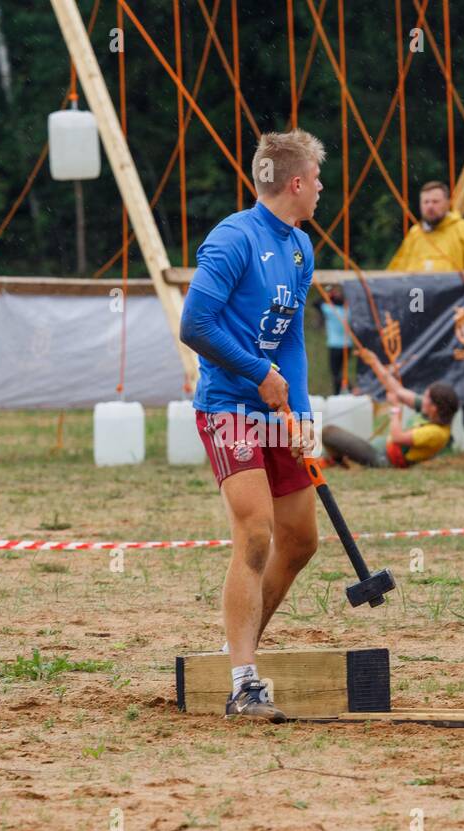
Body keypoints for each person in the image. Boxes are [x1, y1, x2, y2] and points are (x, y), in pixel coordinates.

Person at [179, 129, 324, 722]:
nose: (320, 189)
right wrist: (256, 372)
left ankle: (237, 650)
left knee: (302, 540)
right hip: (227, 408)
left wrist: (302, 413)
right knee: (258, 533)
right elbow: (195, 325)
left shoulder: (301, 248)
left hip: (275, 410)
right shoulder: (232, 239)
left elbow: (290, 337)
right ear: (294, 183)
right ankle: (243, 681)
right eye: (315, 179)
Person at [388, 180, 464, 450]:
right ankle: (438, 437)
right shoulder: (415, 234)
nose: (430, 207)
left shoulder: (462, 230)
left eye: (435, 201)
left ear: (447, 203)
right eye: (425, 202)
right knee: (430, 381)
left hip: (458, 320)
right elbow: (396, 273)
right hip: (424, 324)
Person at [321, 354, 459, 468]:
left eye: (427, 397)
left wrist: (395, 409)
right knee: (334, 438)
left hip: (383, 460)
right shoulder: (430, 412)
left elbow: (398, 437)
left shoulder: (436, 433)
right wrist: (375, 363)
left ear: (434, 407)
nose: (423, 398)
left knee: (328, 432)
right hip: (382, 449)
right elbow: (397, 391)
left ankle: (329, 461)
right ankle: (333, 460)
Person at [317, 285, 351, 394]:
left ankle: (342, 391)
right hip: (347, 345)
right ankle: (346, 390)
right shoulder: (347, 312)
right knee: (342, 371)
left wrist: (328, 295)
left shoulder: (330, 310)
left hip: (335, 345)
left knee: (335, 372)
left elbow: (317, 303)